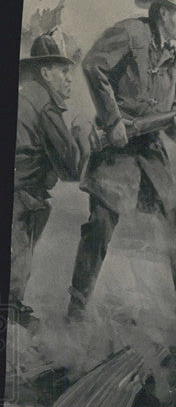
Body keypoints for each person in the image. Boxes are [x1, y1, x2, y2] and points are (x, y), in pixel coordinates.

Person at [65, 0, 176, 356]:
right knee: (101, 224)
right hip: (117, 147)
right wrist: (114, 118)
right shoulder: (131, 34)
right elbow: (92, 66)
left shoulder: (172, 59)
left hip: (148, 150)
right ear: (163, 13)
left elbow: (171, 118)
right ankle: (74, 316)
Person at [11, 32, 93, 328]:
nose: (70, 80)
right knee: (15, 267)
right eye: (64, 73)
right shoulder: (45, 105)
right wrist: (81, 137)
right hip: (22, 198)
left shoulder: (25, 95)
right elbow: (72, 169)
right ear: (46, 73)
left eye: (71, 73)